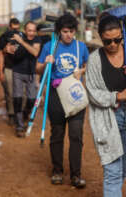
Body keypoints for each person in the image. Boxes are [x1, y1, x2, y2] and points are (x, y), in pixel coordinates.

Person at [85, 15, 126, 197]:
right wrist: (118, 96)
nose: (113, 45)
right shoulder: (94, 60)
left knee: (122, 165)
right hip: (108, 119)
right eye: (108, 41)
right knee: (112, 170)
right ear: (101, 38)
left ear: (122, 35)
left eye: (117, 39)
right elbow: (93, 93)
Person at [36, 13, 89, 188]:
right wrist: (46, 63)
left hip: (75, 95)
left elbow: (88, 66)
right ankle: (57, 171)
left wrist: (81, 71)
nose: (68, 35)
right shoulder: (49, 47)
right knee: (57, 134)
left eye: (71, 31)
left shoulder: (81, 47)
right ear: (59, 31)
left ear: (75, 31)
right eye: (65, 31)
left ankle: (76, 175)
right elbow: (38, 69)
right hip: (55, 96)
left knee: (76, 136)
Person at [5, 21, 41, 137]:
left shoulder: (37, 40)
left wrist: (22, 42)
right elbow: (9, 48)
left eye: (33, 31)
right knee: (17, 99)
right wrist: (9, 49)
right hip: (17, 72)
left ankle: (25, 115)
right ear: (25, 30)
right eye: (29, 30)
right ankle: (19, 126)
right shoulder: (18, 38)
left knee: (31, 99)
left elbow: (35, 52)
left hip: (31, 73)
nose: (31, 33)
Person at [0, 18, 21, 125]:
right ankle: (11, 114)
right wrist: (1, 71)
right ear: (9, 27)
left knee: (21, 93)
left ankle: (21, 113)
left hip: (20, 69)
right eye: (14, 28)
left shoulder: (21, 36)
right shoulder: (4, 37)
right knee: (9, 93)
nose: (16, 31)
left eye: (17, 29)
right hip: (8, 68)